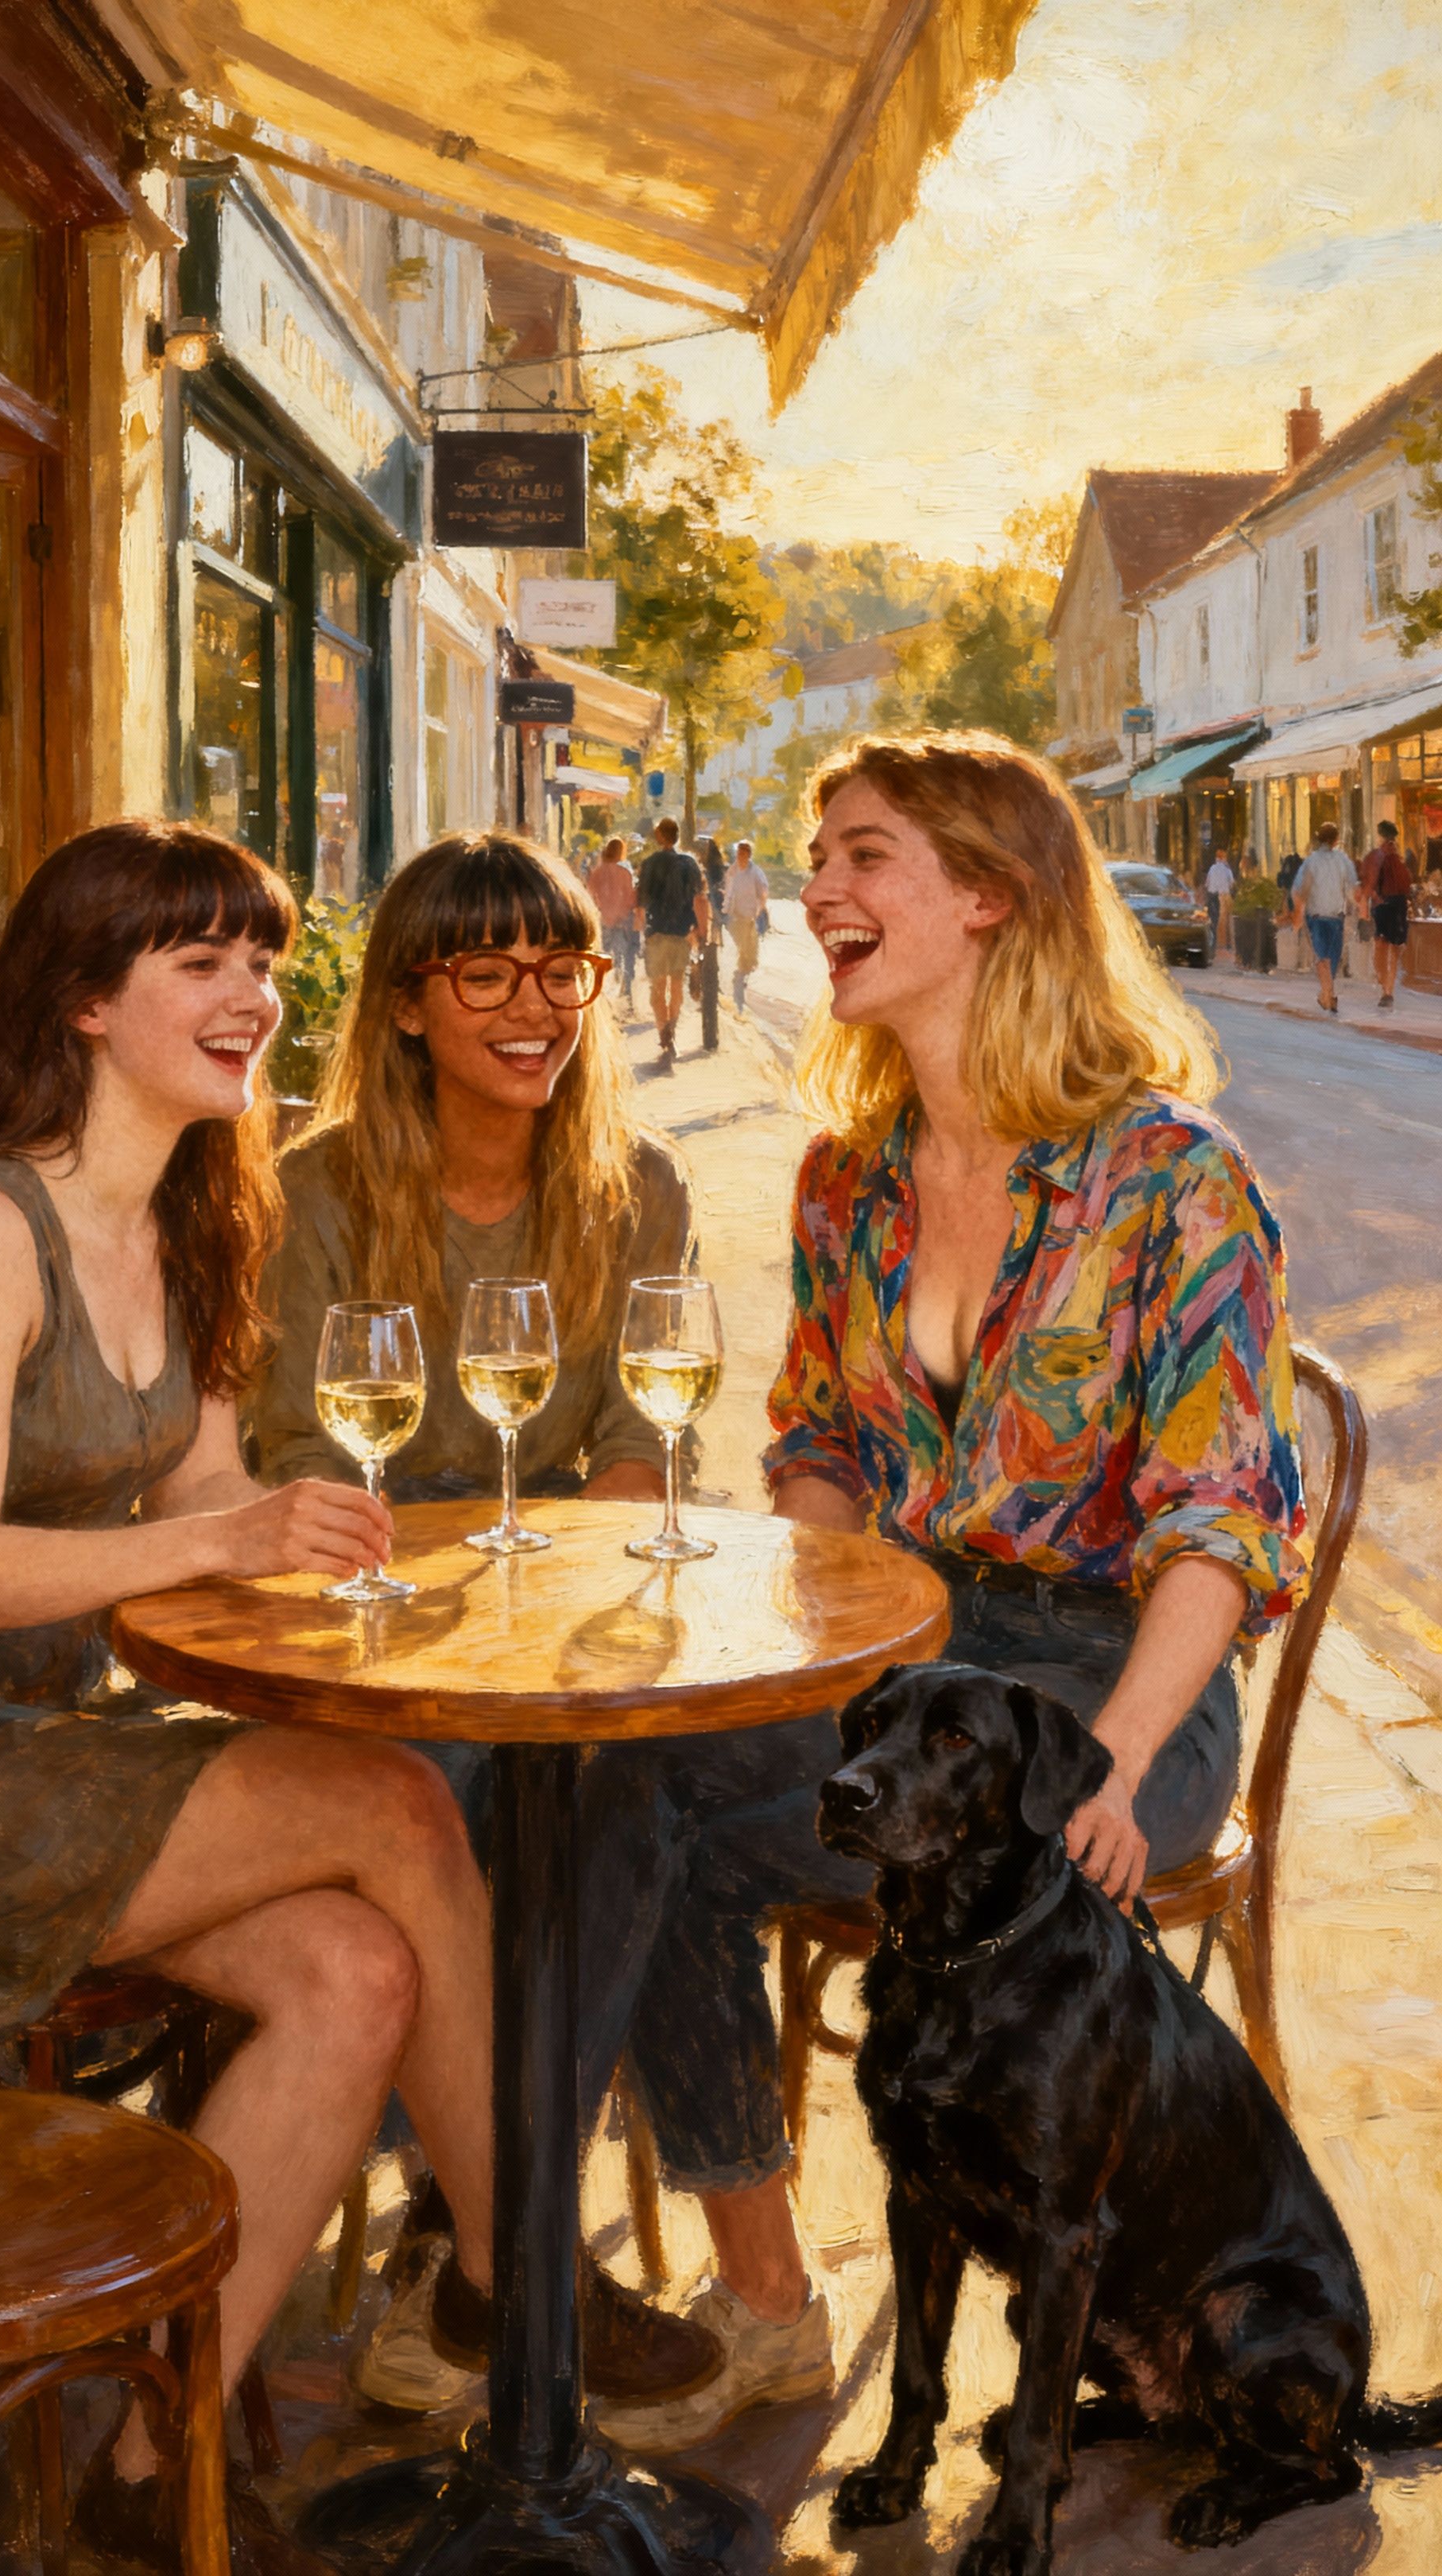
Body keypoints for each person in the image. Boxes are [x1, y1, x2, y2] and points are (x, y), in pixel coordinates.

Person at [0, 821, 496, 2575]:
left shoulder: (197, 1206)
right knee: (397, 1807)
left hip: (43, 1744)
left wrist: (342, 1580)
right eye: (206, 965)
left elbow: (199, 1517)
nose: (258, 997)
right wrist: (230, 1539)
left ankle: (152, 2466)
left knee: (356, 1964)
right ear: (86, 1000)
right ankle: (515, 2301)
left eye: (266, 960)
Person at [591, 731, 1304, 2456]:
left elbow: (1218, 1526)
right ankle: (747, 2295)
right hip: (908, 1662)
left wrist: (1115, 1766)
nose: (817, 887)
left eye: (864, 856)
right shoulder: (850, 1176)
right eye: (817, 855)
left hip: (1104, 1682)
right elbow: (821, 1437)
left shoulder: (1168, 1178)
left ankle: (526, 2265)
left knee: (672, 1830)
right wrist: (815, 1603)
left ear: (989, 896)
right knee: (612, 1784)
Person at [252, 828, 722, 2415]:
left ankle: (466, 2240)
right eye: (489, 971)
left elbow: (653, 1441)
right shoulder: (308, 1196)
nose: (541, 1006)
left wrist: (592, 1515)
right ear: (403, 1002)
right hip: (369, 1645)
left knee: (635, 1799)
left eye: (566, 966)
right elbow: (309, 1464)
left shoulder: (634, 1186)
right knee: (447, 1800)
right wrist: (502, 1551)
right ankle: (521, 2261)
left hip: (551, 1641)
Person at [635, 817, 708, 1067]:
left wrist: (642, 928)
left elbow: (640, 905)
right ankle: (672, 1030)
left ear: (659, 837)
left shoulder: (649, 864)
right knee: (677, 985)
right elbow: (700, 899)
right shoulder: (689, 864)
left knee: (658, 988)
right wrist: (701, 929)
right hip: (681, 932)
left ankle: (663, 1033)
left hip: (656, 932)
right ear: (676, 836)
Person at [1291, 821, 1360, 1014]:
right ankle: (1329, 995)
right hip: (1337, 917)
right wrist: (1358, 907)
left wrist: (1298, 914)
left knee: (1322, 959)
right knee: (1331, 958)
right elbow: (1353, 887)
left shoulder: (1311, 861)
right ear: (1336, 840)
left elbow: (1300, 890)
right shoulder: (1343, 860)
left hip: (1317, 916)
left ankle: (1327, 995)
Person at [586, 832, 639, 1014]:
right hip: (620, 922)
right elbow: (631, 899)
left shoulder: (597, 873)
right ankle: (626, 1001)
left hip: (602, 922)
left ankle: (601, 1001)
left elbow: (590, 895)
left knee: (601, 961)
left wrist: (600, 912)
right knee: (622, 960)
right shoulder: (624, 873)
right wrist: (623, 914)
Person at [1363, 817, 1413, 1010]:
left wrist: (1366, 905)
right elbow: (1408, 883)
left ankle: (1385, 989)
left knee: (1380, 949)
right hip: (1399, 904)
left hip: (1383, 905)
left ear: (1380, 836)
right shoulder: (1400, 858)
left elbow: (1369, 883)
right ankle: (1389, 990)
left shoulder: (1377, 855)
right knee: (1394, 950)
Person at [723, 840, 770, 1009]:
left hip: (750, 915)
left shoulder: (756, 873)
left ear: (749, 855)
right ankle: (741, 972)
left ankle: (743, 972)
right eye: (739, 852)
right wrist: (725, 908)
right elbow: (729, 890)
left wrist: (758, 911)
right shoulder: (732, 871)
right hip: (735, 914)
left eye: (744, 853)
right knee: (741, 943)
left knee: (749, 949)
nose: (741, 855)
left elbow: (763, 894)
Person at [698, 836, 728, 1050]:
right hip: (709, 928)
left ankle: (711, 1036)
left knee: (708, 979)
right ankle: (711, 1037)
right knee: (710, 979)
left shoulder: (712, 871)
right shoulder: (717, 871)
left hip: (706, 927)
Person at [1204, 849, 1235, 960]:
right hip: (1225, 896)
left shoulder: (1212, 868)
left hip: (1213, 896)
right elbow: (1232, 884)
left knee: (1215, 920)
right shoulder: (1227, 870)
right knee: (1226, 920)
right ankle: (1227, 944)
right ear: (1224, 858)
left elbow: (1207, 884)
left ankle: (1217, 944)